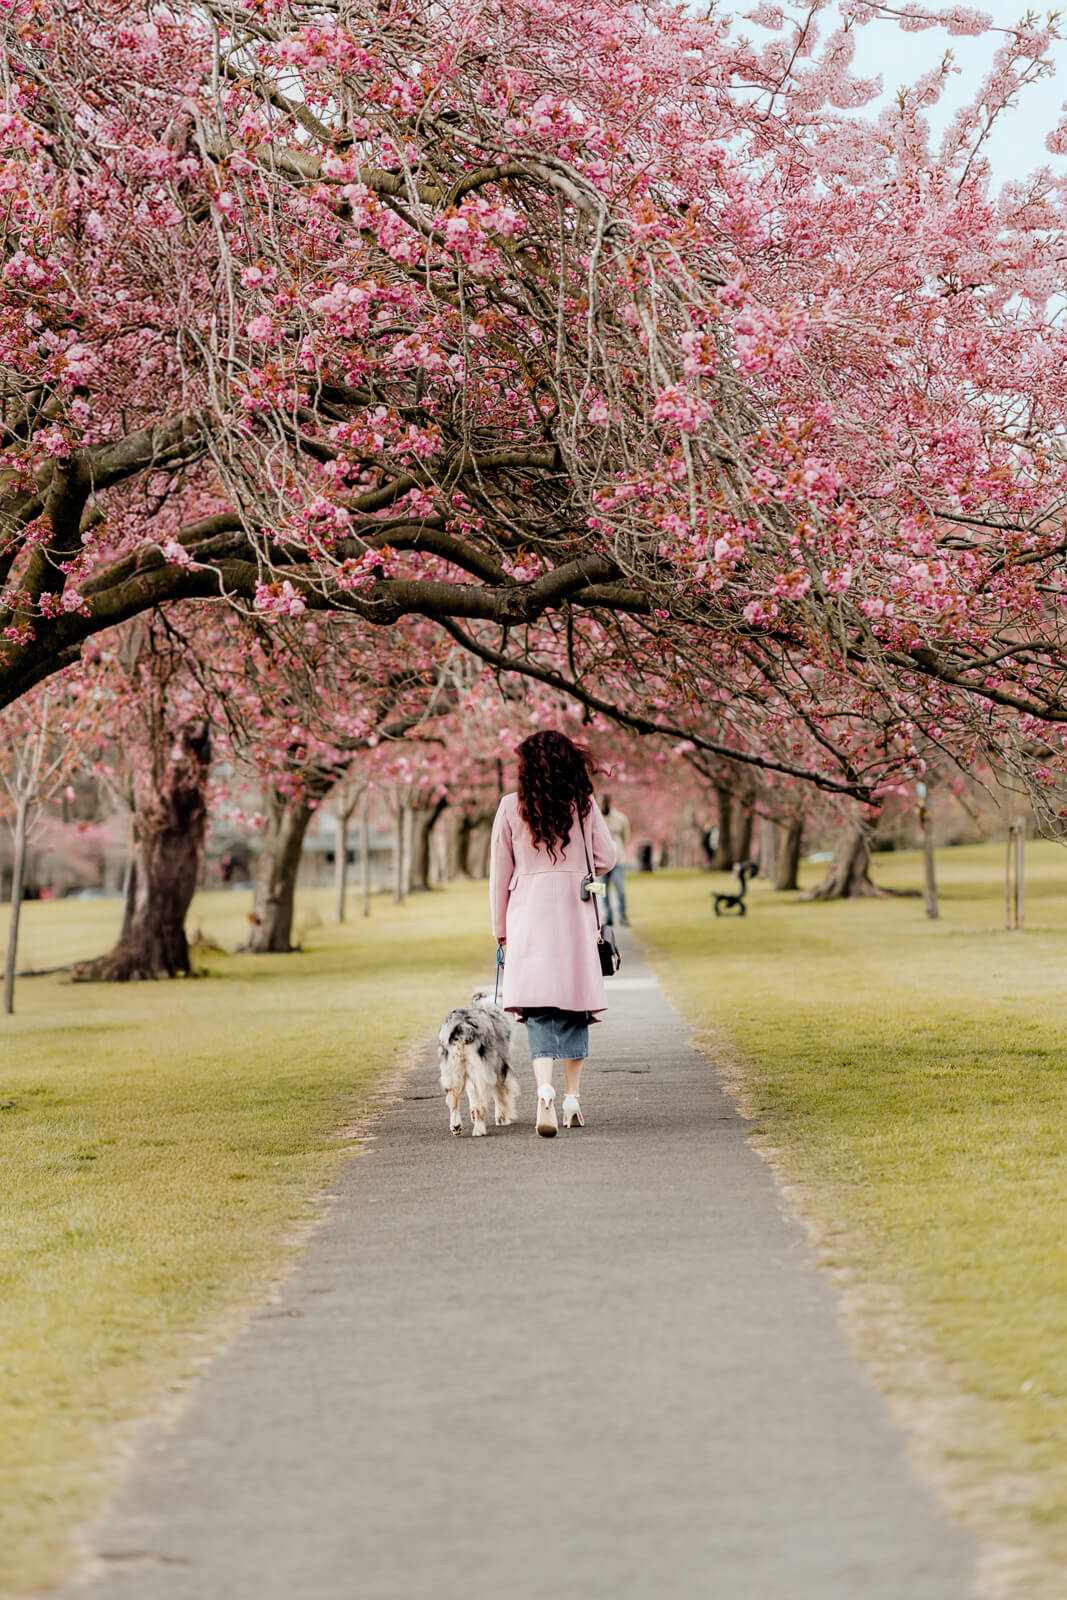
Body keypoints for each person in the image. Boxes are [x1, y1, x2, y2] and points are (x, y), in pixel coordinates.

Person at [490, 731, 616, 1137]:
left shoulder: (510, 807)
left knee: (539, 1007)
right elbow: (607, 857)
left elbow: (499, 875)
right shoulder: (583, 804)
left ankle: (543, 1091)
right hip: (574, 913)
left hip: (527, 911)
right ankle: (572, 1098)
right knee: (574, 1004)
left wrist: (500, 931)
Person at [599, 793, 631, 926]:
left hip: (618, 860)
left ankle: (623, 916)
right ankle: (608, 916)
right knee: (603, 891)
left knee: (620, 890)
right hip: (601, 861)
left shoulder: (620, 818)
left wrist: (618, 850)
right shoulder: (596, 818)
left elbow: (626, 837)